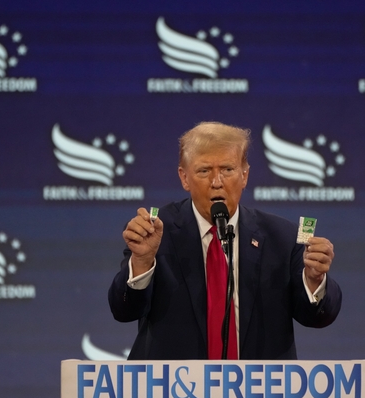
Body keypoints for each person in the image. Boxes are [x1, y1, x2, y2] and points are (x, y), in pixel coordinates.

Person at [108, 122, 341, 360]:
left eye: (228, 170)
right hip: (173, 391)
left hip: (259, 392)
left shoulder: (282, 237)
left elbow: (318, 317)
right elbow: (124, 310)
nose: (216, 181)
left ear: (244, 175)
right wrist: (142, 261)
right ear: (184, 177)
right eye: (204, 171)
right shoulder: (156, 232)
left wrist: (314, 280)